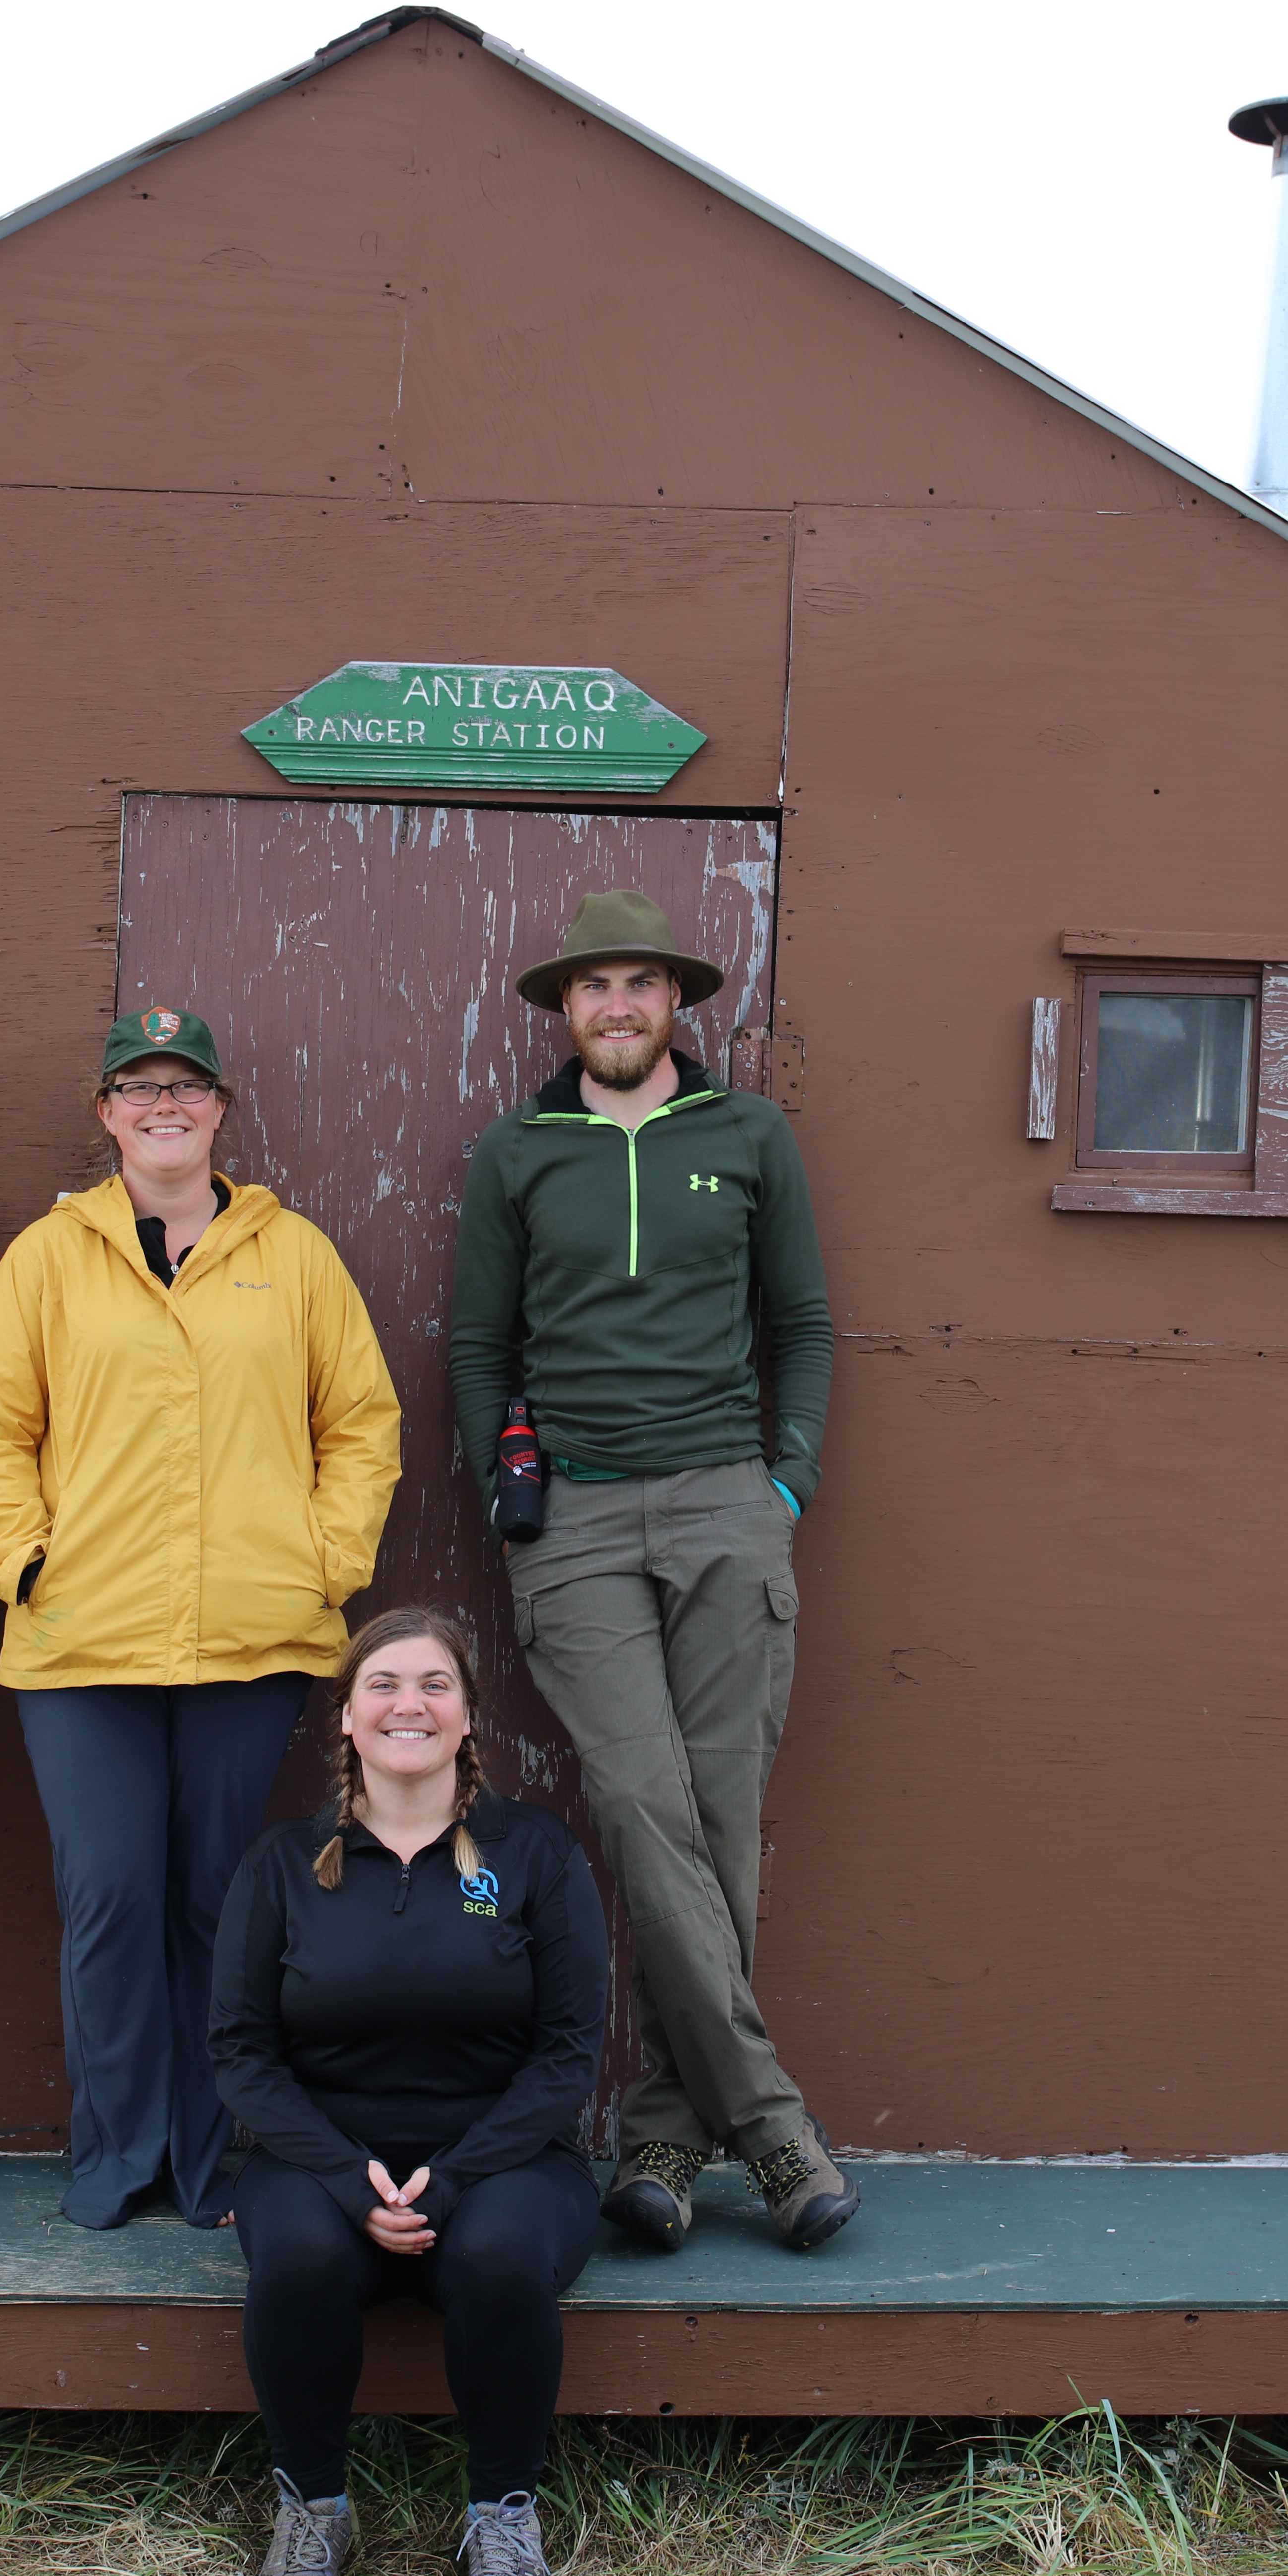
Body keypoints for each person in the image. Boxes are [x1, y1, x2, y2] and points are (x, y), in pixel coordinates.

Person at [446, 887, 855, 2256]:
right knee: (639, 1805)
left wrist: (782, 1482)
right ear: (563, 1011)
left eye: (640, 984)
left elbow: (800, 1319)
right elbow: (477, 1340)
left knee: (718, 1818)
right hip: (575, 1521)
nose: (616, 1007)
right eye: (592, 988)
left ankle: (669, 2140)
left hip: (725, 1502)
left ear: (676, 1001)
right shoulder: (520, 1150)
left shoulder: (747, 1136)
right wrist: (501, 1472)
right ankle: (774, 2125)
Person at [0, 1007, 402, 2230]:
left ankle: (209, 2159)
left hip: (250, 1638)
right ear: (105, 1112)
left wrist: (324, 1561)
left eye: (186, 1086)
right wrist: (25, 1562)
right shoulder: (48, 1258)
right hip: (82, 1639)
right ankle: (116, 2155)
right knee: (105, 1894)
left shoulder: (292, 1254)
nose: (164, 1105)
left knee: (216, 1894)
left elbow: (361, 1421)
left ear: (219, 1109)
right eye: (139, 1087)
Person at [210, 1608, 607, 2576]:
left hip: (507, 2158)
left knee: (499, 2256)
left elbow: (568, 2050)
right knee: (295, 2254)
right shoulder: (284, 1865)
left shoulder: (536, 1854)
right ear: (346, 1717)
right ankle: (313, 2507)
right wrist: (348, 2179)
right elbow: (242, 2054)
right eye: (384, 1683)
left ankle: (502, 2513)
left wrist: (463, 2174)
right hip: (318, 2157)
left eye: (435, 1684)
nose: (409, 1704)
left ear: (469, 1717)